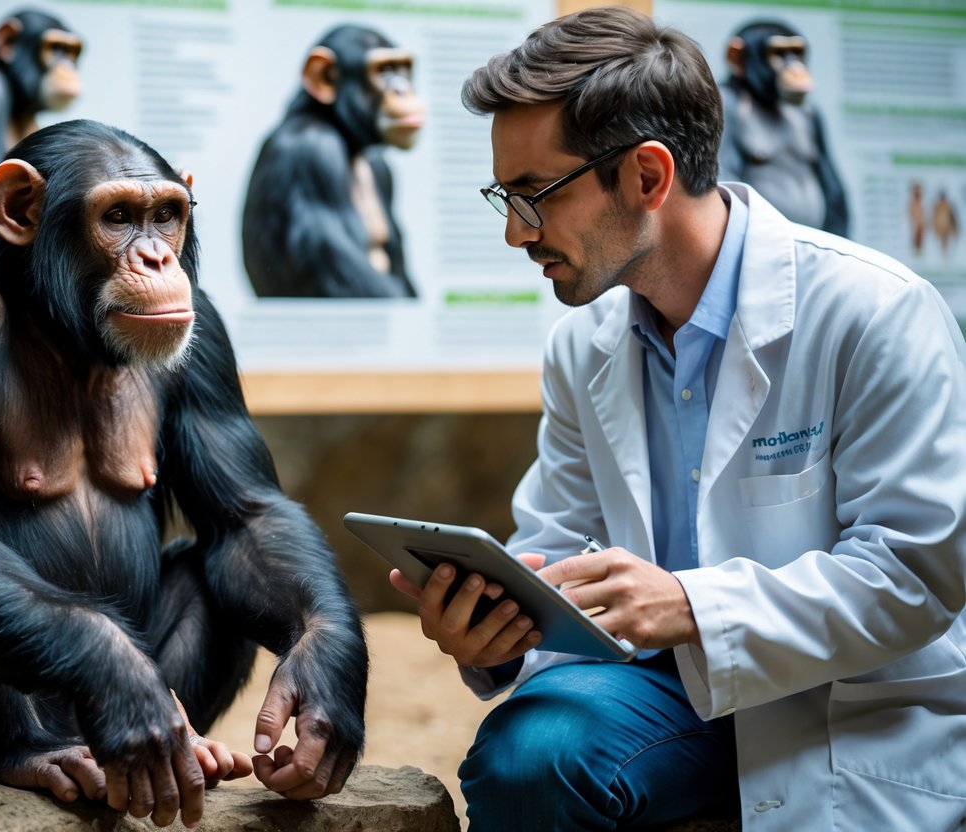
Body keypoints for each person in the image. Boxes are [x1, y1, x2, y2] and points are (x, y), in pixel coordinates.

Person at [390, 6, 966, 830]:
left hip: (846, 704)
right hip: (658, 696)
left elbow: (914, 576)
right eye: (503, 198)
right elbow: (555, 538)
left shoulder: (874, 313)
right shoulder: (582, 345)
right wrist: (503, 629)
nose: (517, 234)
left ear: (647, 177)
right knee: (528, 754)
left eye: (534, 196)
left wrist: (692, 608)